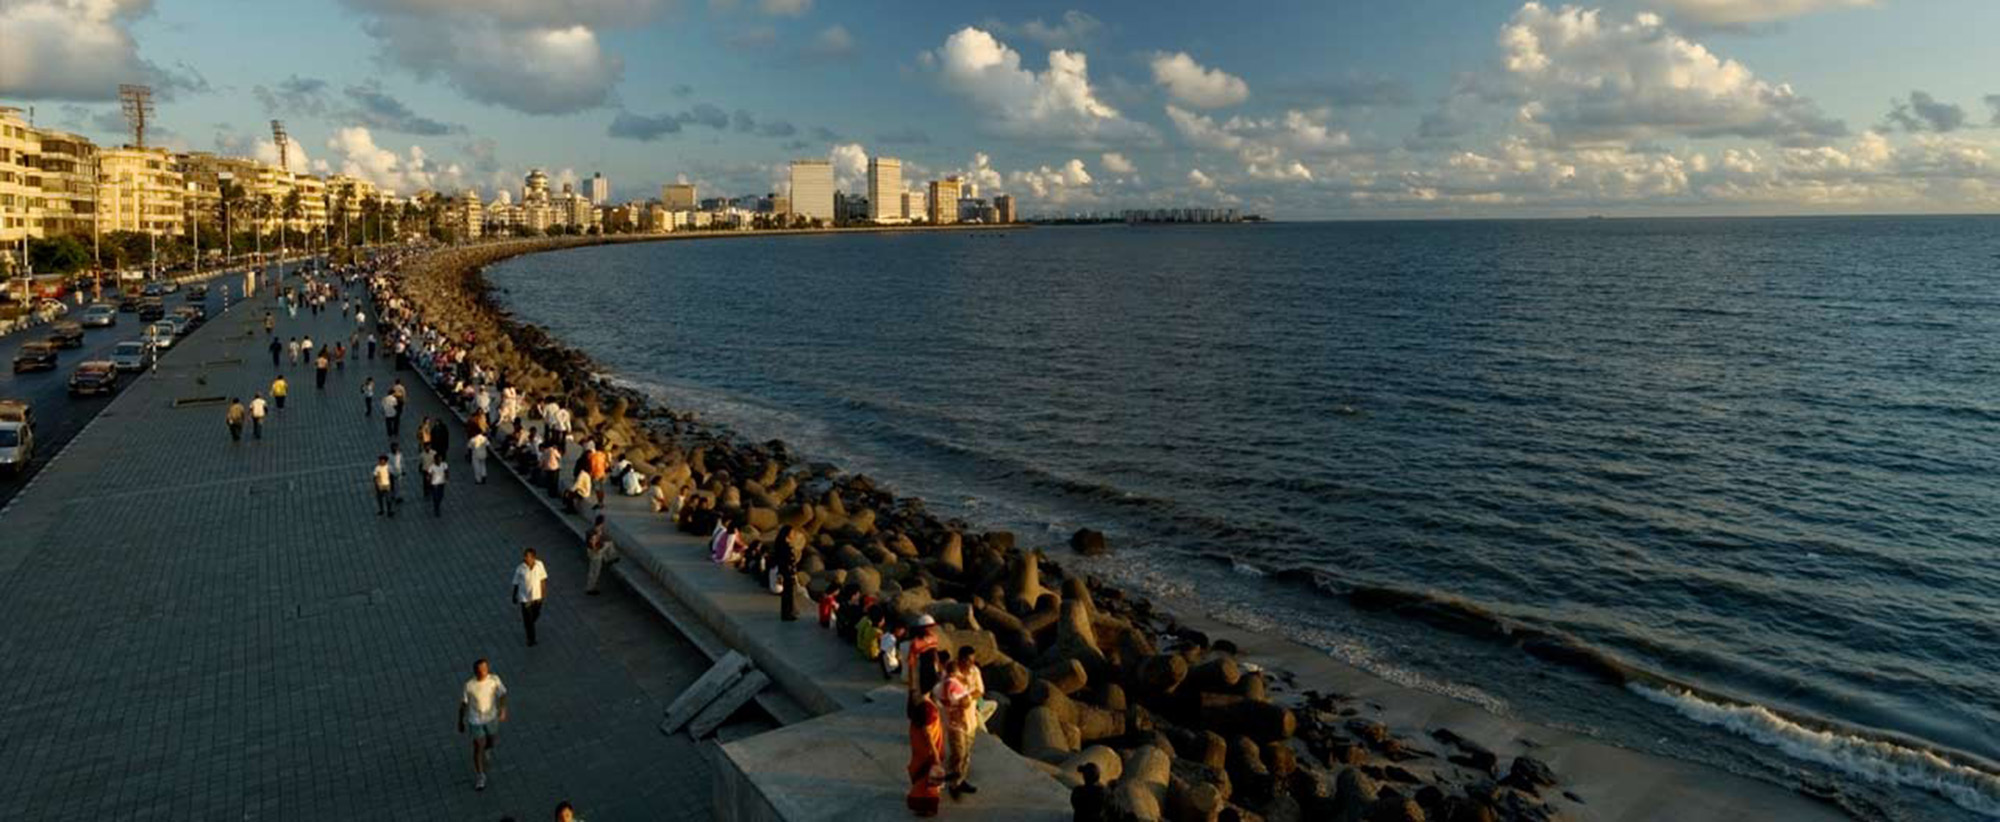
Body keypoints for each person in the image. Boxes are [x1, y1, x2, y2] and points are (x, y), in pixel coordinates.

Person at [935, 646, 981, 798]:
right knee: (958, 753)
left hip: (970, 720)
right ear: (960, 659)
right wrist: (957, 702)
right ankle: (953, 783)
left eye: (973, 661)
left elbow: (980, 690)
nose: (971, 664)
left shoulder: (975, 671)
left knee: (966, 754)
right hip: (954, 722)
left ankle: (960, 780)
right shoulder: (949, 674)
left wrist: (968, 698)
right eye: (968, 661)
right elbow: (941, 696)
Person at [457, 658, 508, 792]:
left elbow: (502, 694)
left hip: (491, 718)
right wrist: (460, 721)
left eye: (486, 668)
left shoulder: (494, 680)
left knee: (491, 742)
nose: (484, 672)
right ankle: (480, 776)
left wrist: (503, 708)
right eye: (481, 670)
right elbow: (464, 704)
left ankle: (487, 749)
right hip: (475, 721)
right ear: (475, 671)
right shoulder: (469, 685)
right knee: (478, 746)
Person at [906, 650, 946, 817]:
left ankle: (921, 803)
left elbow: (912, 679)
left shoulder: (915, 698)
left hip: (918, 744)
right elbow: (928, 733)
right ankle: (925, 806)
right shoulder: (927, 707)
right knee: (927, 781)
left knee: (921, 775)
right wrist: (936, 754)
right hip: (928, 747)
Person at [512, 548, 549, 646]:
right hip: (525, 598)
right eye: (525, 556)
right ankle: (531, 638)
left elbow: (543, 579)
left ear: (533, 557)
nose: (526, 558)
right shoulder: (520, 568)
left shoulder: (539, 565)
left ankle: (528, 625)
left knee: (535, 615)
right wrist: (514, 595)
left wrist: (543, 593)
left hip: (537, 597)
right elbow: (516, 583)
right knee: (528, 618)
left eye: (528, 557)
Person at [585, 515, 615, 595]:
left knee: (609, 544)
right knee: (595, 571)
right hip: (595, 553)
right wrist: (596, 550)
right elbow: (593, 543)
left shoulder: (593, 529)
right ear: (602, 523)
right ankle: (591, 589)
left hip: (591, 551)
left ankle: (609, 558)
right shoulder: (596, 531)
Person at [425, 452, 449, 517]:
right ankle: (437, 508)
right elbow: (428, 475)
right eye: (438, 459)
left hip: (441, 482)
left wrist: (447, 478)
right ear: (435, 460)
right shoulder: (432, 467)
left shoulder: (444, 464)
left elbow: (446, 471)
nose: (440, 460)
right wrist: (428, 483)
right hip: (434, 483)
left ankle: (437, 505)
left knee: (441, 496)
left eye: (440, 459)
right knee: (435, 497)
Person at [389, 441, 407, 506]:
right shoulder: (389, 456)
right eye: (394, 447)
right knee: (393, 485)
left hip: (399, 472)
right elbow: (389, 465)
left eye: (396, 447)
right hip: (392, 473)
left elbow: (402, 463)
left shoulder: (400, 455)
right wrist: (391, 472)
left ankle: (399, 496)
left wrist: (403, 470)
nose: (395, 449)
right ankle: (394, 496)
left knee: (399, 485)